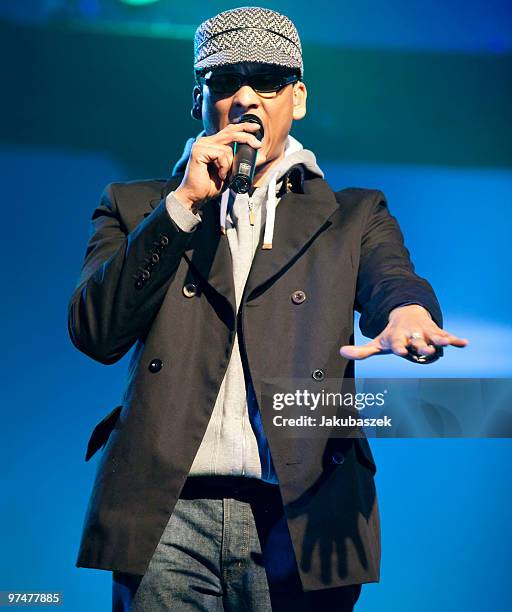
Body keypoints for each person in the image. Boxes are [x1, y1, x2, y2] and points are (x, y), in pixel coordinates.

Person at [68, 6, 468, 611]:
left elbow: (393, 281)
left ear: (298, 98)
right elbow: (95, 331)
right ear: (199, 100)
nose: (247, 98)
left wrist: (407, 313)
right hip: (165, 514)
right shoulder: (136, 206)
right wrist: (179, 209)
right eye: (226, 83)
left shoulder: (353, 214)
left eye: (268, 81)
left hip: (299, 511)